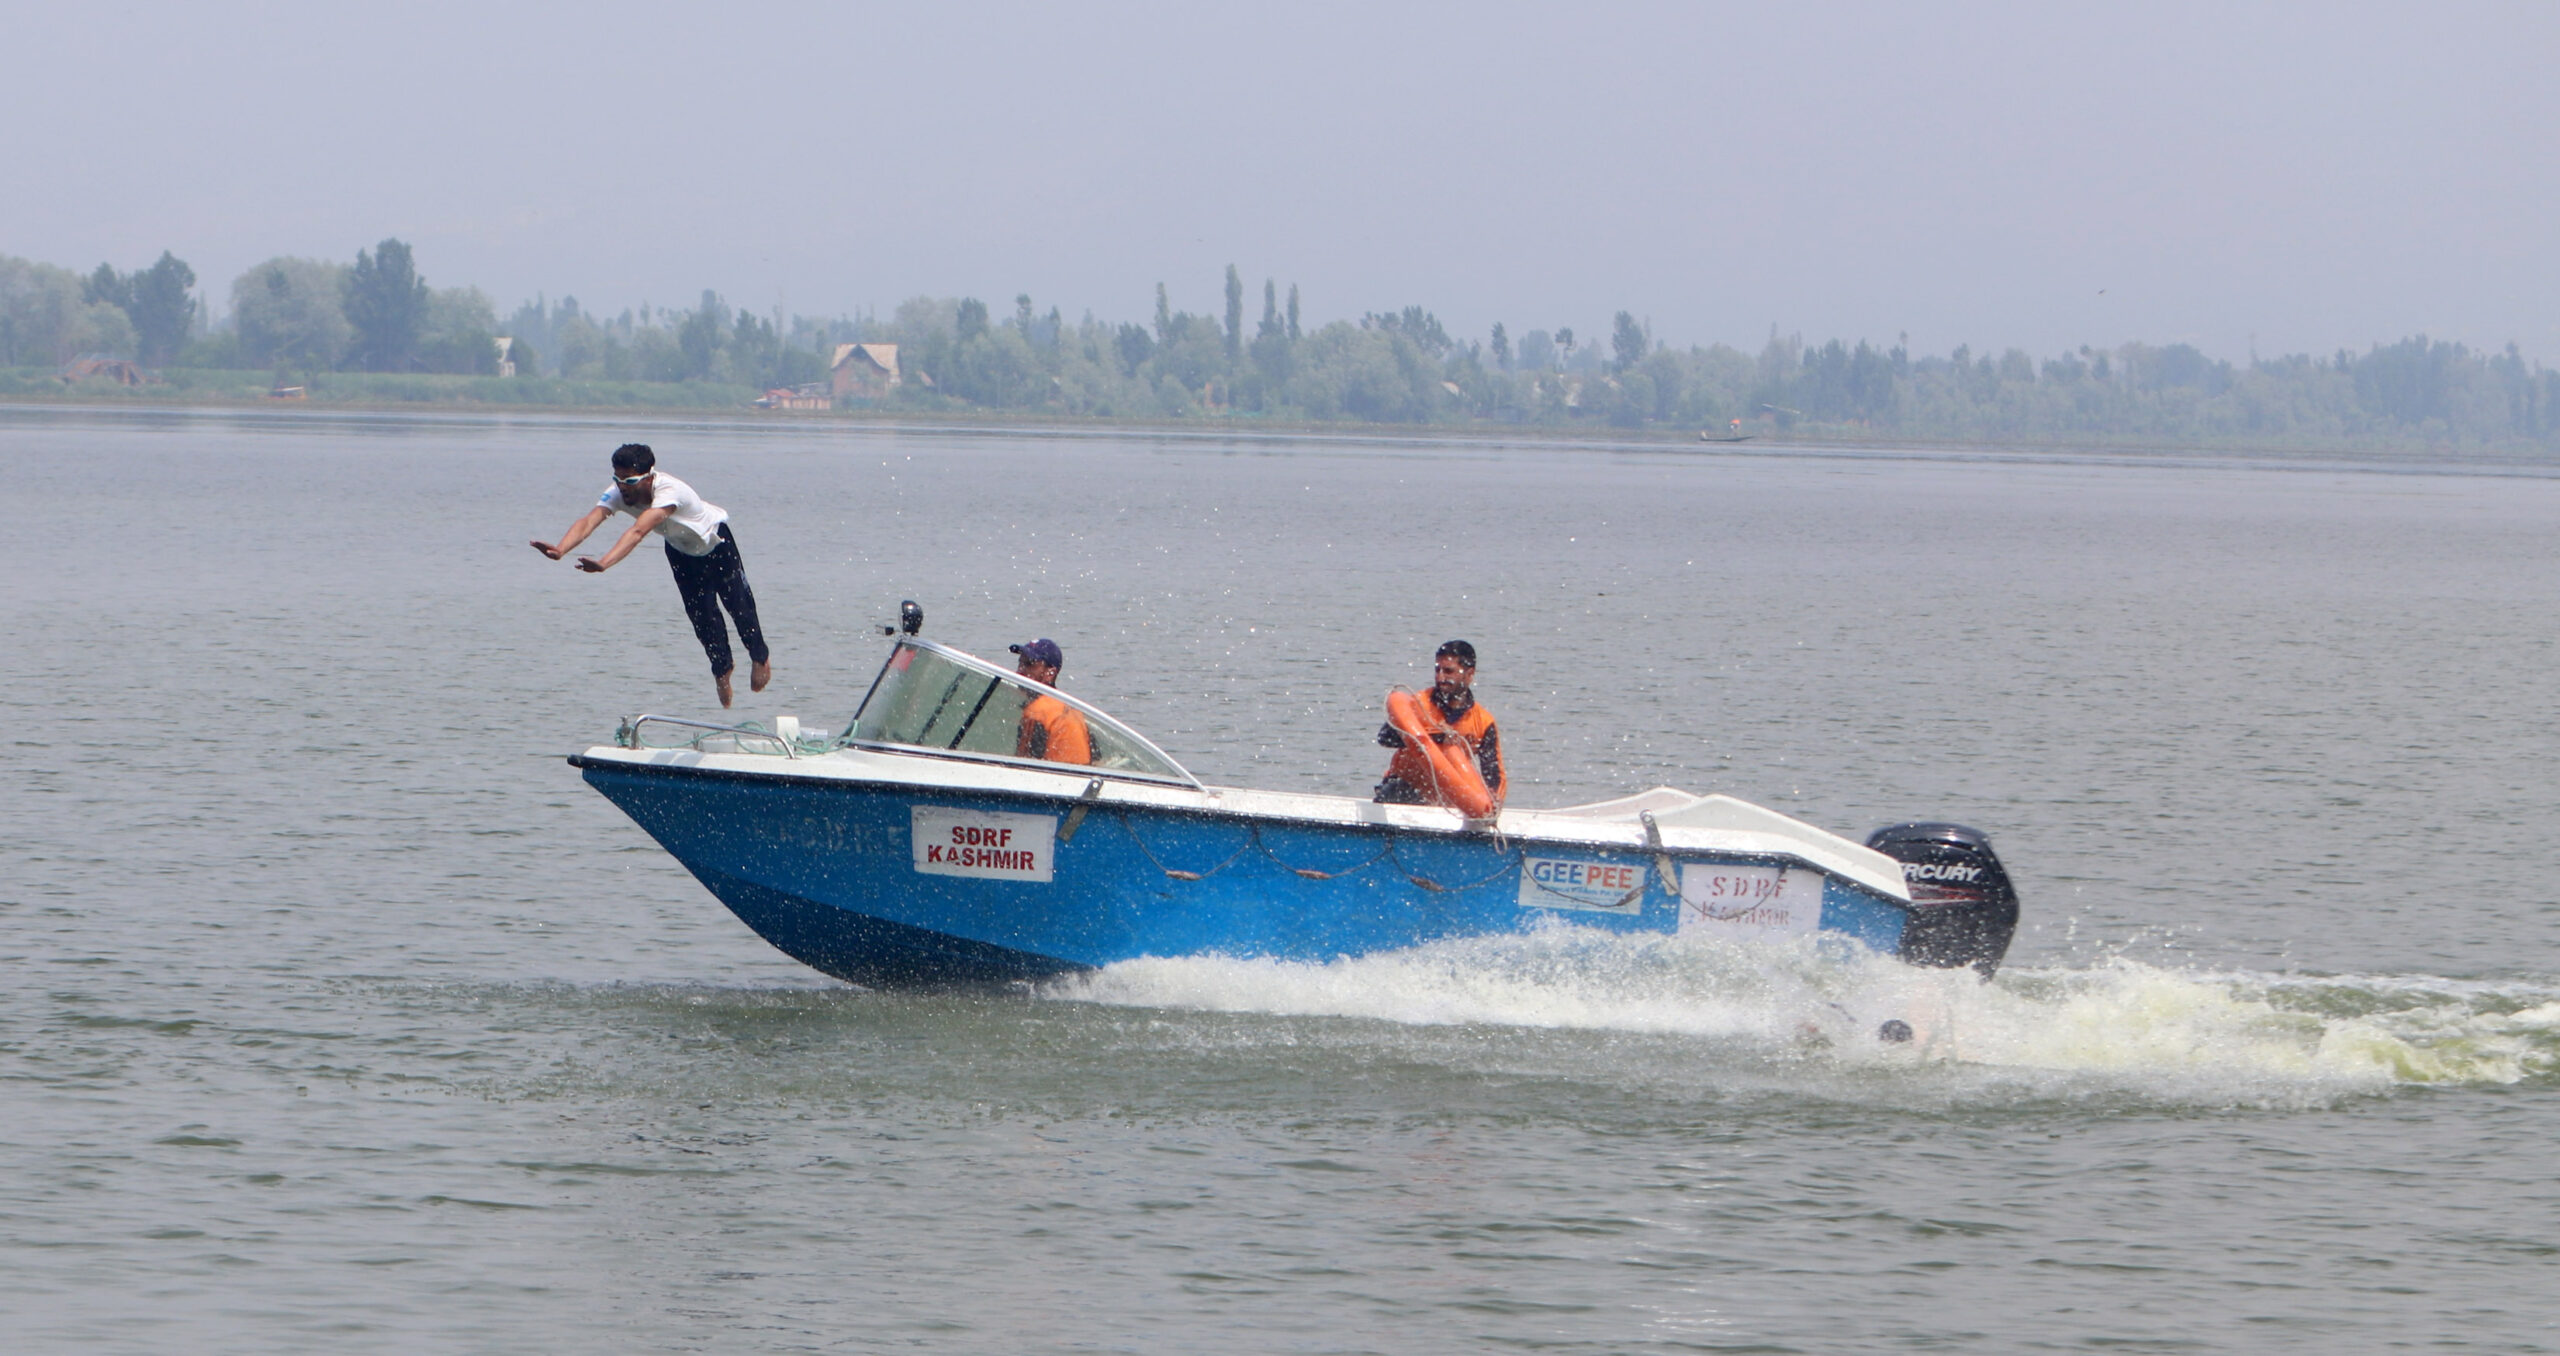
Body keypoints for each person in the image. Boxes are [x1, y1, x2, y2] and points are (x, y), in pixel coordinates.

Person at [531, 443, 772, 708]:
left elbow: (637, 532)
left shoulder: (669, 491)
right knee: (702, 617)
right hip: (681, 551)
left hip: (716, 543)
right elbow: (590, 520)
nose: (623, 486)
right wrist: (561, 549)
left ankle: (759, 657)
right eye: (618, 479)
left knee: (739, 606)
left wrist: (604, 563)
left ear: (648, 476)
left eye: (630, 480)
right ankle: (722, 670)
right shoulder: (619, 493)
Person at [1374, 639, 1505, 809]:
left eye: (1448, 671)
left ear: (1469, 674)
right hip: (1404, 786)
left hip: (1451, 795)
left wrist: (1493, 800)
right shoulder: (1418, 704)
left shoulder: (1483, 722)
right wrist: (1436, 738)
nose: (1440, 678)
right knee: (1395, 791)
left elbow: (1493, 773)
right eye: (1438, 670)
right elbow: (1385, 738)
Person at [1009, 638, 1092, 764]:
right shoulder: (1072, 709)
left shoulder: (1040, 712)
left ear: (1050, 673)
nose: (1020, 671)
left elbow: (1026, 765)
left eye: (1029, 664)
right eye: (1020, 663)